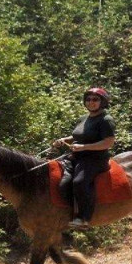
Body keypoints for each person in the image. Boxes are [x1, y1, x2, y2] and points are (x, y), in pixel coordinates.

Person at [52, 87, 116, 229]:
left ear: (103, 102)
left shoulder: (106, 120)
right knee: (61, 181)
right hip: (77, 157)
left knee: (80, 182)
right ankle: (67, 213)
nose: (91, 102)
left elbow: (108, 142)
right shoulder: (84, 118)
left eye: (95, 99)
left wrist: (84, 147)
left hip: (95, 160)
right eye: (88, 99)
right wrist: (64, 140)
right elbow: (77, 136)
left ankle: (84, 218)